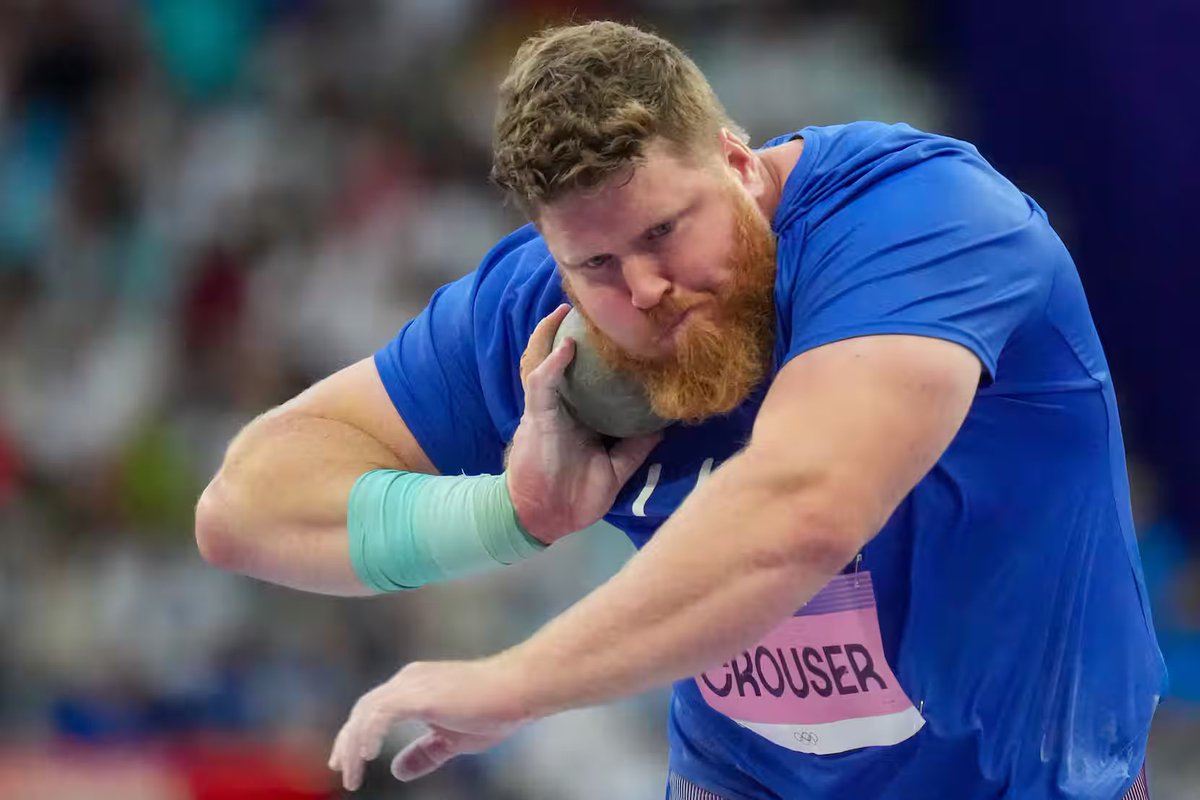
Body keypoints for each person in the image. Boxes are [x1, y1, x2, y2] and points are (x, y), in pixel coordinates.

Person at [194, 20, 1165, 800]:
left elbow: (802, 514)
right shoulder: (540, 311)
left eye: (667, 230)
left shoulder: (923, 219)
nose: (647, 287)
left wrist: (512, 681)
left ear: (738, 164)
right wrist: (510, 514)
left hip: (1035, 776)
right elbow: (244, 506)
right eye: (598, 264)